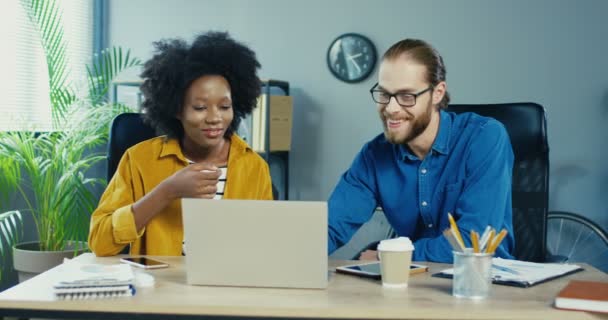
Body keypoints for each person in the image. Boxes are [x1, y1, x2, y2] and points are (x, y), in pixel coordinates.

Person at [327, 39, 514, 263]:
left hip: (482, 281)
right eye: (384, 94)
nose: (391, 108)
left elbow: (473, 242)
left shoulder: (484, 137)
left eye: (407, 96)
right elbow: (330, 227)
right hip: (412, 282)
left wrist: (389, 255)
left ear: (437, 93)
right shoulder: (374, 155)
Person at [89, 31, 272, 256]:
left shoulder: (254, 166)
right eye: (200, 108)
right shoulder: (138, 160)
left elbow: (263, 247)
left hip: (229, 286)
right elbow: (100, 242)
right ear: (176, 109)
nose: (215, 118)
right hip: (162, 286)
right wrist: (167, 191)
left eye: (225, 107)